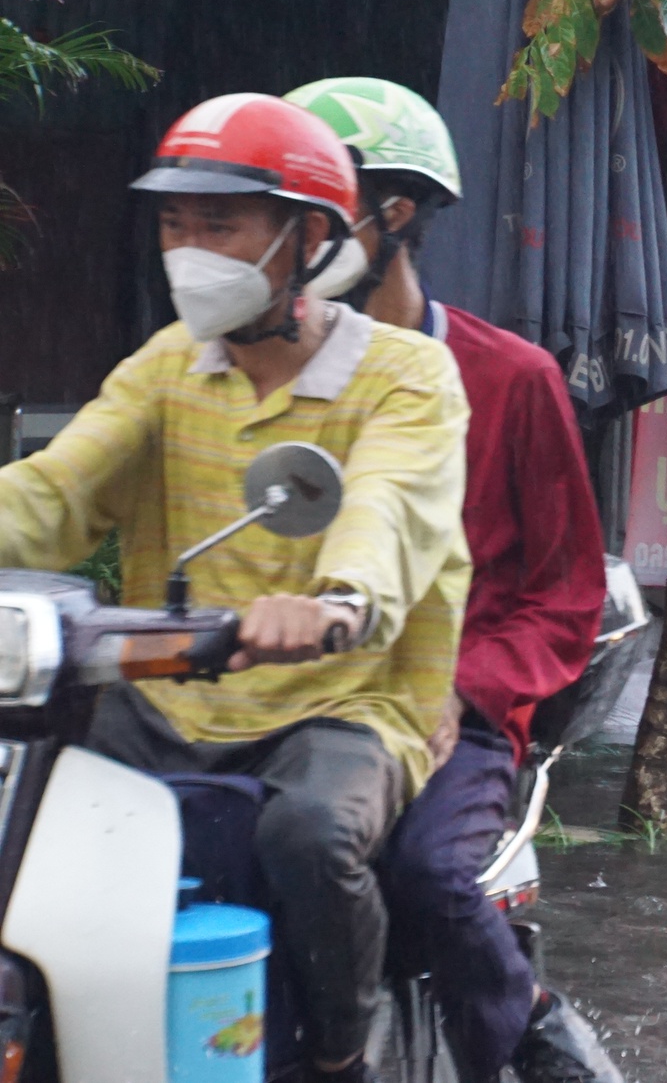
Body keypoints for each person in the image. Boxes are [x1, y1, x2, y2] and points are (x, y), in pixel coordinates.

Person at [0, 93, 472, 1081]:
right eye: (175, 222)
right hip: (165, 690)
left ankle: (341, 1055)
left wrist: (336, 597)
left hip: (345, 700)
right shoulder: (171, 365)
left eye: (219, 222)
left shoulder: (409, 377)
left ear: (306, 237)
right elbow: (58, 486)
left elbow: (384, 507)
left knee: (308, 834)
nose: (189, 248)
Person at [285, 77, 620, 1083]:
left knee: (428, 875)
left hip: (456, 710)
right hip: (296, 693)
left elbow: (564, 593)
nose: (280, 244)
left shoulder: (513, 379)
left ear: (392, 218)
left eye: (307, 217)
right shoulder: (257, 375)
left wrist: (458, 684)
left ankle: (531, 1038)